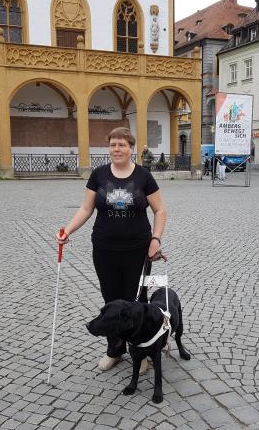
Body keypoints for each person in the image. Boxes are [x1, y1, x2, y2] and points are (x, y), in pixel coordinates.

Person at [55, 127, 167, 371]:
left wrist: (155, 239)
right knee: (111, 301)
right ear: (109, 148)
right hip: (104, 249)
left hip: (138, 249)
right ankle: (115, 349)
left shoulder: (144, 177)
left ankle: (141, 349)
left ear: (131, 148)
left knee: (136, 301)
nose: (117, 149)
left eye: (122, 145)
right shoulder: (99, 174)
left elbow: (160, 210)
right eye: (113, 144)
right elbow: (86, 209)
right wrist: (68, 231)